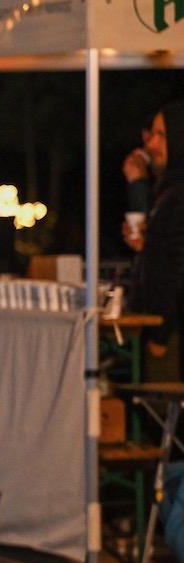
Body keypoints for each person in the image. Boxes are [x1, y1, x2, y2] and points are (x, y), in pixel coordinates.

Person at [127, 101, 184, 375]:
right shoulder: (169, 190)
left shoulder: (178, 194)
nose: (151, 145)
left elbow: (178, 268)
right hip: (165, 327)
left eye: (161, 135)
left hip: (172, 333)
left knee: (163, 412)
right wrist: (144, 245)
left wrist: (161, 333)